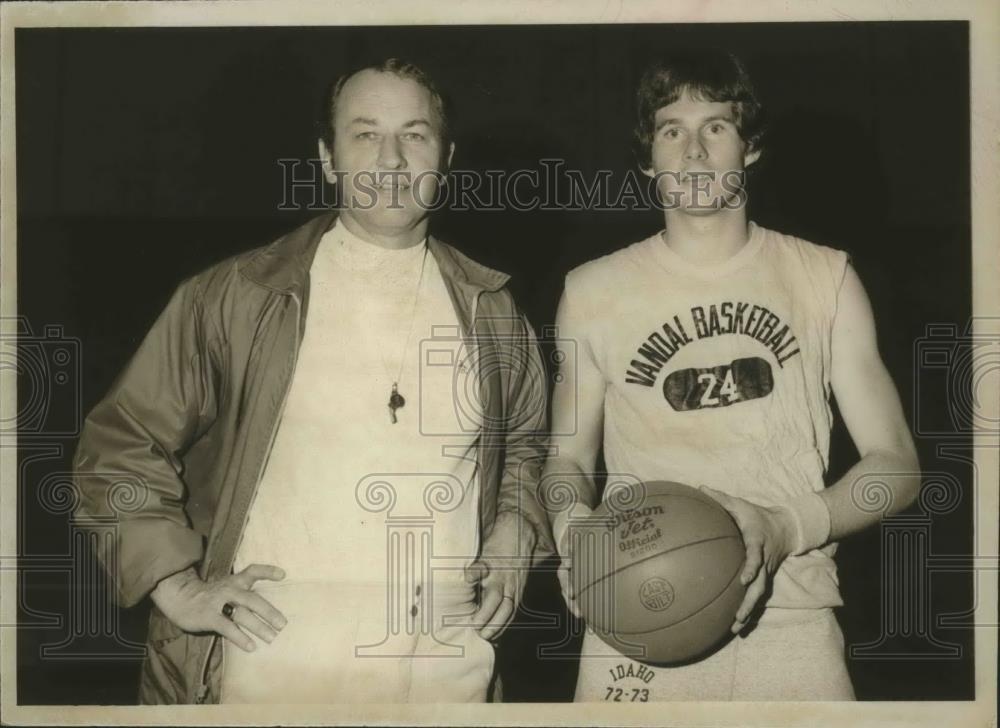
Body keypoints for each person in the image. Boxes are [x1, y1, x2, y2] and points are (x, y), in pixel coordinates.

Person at [72, 58, 554, 704]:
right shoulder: (238, 297)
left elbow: (526, 447)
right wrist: (175, 583)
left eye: (414, 135)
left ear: (446, 156)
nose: (391, 160)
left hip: (446, 681)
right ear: (327, 158)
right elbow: (118, 445)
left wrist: (514, 534)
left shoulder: (493, 310)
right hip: (268, 676)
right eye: (364, 134)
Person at [541, 50, 920, 701]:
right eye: (670, 130)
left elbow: (898, 469)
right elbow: (565, 458)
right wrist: (573, 525)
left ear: (749, 148)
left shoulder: (826, 278)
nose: (692, 150)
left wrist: (786, 527)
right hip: (637, 611)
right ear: (647, 159)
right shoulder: (591, 291)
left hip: (790, 618)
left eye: (715, 126)